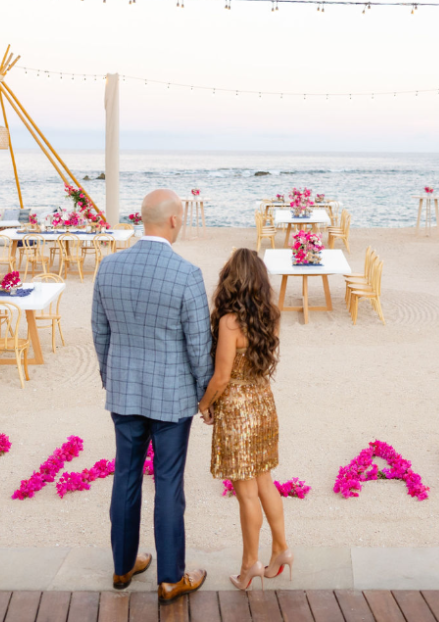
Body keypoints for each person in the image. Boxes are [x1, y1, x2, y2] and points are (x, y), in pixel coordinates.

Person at [92, 188, 213, 599]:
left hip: (125, 390)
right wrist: (205, 395)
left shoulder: (109, 266)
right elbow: (199, 345)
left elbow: (100, 331)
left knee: (126, 476)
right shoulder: (186, 274)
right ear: (174, 219)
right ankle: (170, 577)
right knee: (168, 483)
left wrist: (111, 377)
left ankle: (123, 567)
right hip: (172, 397)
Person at [198, 248, 292, 591]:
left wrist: (204, 405)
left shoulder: (229, 322)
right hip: (263, 403)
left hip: (237, 411)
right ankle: (281, 550)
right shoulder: (271, 316)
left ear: (231, 280)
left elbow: (222, 377)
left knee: (247, 493)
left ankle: (249, 564)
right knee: (265, 481)